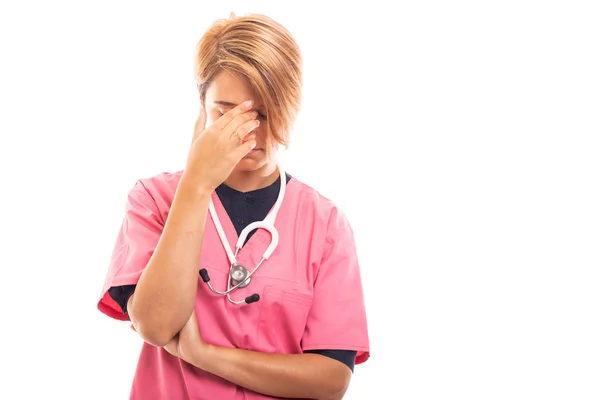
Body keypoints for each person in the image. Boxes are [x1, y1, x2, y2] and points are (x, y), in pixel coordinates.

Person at [97, 12, 370, 400]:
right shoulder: (153, 200)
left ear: (291, 105)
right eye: (226, 113)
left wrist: (204, 355)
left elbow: (330, 379)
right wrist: (196, 184)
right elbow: (155, 326)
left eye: (264, 113)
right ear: (201, 106)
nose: (249, 132)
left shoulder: (325, 224)